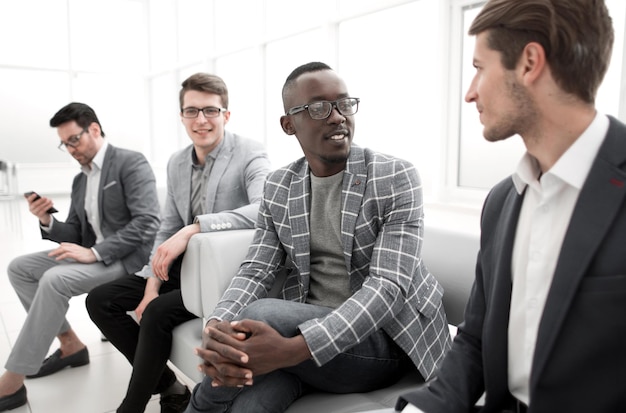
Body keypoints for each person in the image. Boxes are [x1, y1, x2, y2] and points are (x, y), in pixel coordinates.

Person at [184, 61, 451, 413]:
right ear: (289, 124)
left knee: (260, 314)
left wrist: (293, 350)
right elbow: (256, 270)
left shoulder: (393, 176)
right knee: (248, 406)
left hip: (382, 342)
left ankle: (197, 408)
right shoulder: (280, 185)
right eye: (319, 108)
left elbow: (388, 288)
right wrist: (216, 324)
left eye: (343, 103)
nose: (338, 116)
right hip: (305, 337)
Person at [397, 1, 623, 412]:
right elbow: (475, 341)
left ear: (529, 63)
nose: (470, 92)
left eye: (480, 67)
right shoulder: (503, 202)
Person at [86, 72, 272, 413]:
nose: (201, 120)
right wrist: (152, 283)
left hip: (221, 275)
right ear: (182, 116)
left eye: (210, 111)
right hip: (181, 267)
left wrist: (195, 228)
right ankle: (169, 385)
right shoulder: (176, 162)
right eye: (192, 111)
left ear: (225, 115)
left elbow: (264, 208)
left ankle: (132, 406)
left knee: (157, 313)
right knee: (100, 301)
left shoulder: (250, 153)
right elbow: (167, 227)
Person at [0, 102, 161, 411]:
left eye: (74, 139)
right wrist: (47, 221)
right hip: (94, 254)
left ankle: (14, 378)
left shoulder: (130, 162)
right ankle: (70, 343)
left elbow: (147, 223)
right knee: (19, 268)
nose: (70, 148)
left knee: (53, 280)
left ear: (95, 130)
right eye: (65, 143)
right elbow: (75, 231)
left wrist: (95, 252)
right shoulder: (80, 179)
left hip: (126, 258)